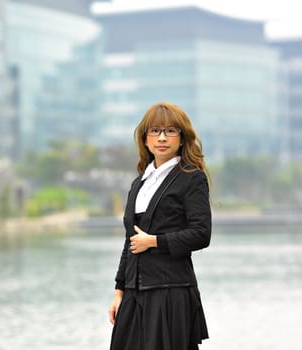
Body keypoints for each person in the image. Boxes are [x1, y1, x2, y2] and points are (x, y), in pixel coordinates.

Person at [108, 102, 211, 350]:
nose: (162, 138)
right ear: (145, 139)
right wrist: (119, 290)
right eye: (154, 131)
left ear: (182, 138)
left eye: (170, 131)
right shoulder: (139, 184)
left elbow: (201, 234)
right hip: (134, 292)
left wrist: (155, 241)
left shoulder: (191, 178)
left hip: (170, 291)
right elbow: (129, 242)